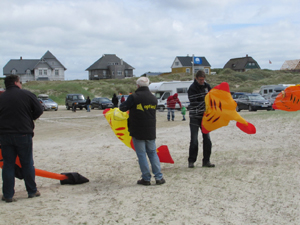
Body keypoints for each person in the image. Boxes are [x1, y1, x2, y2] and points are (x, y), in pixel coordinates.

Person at [0, 75, 44, 202]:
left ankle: (8, 195)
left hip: (5, 135)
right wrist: (29, 118)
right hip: (23, 133)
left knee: (8, 165)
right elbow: (39, 110)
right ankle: (32, 191)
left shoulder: (1, 97)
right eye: (20, 82)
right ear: (16, 82)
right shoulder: (26, 94)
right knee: (27, 163)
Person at [119, 77, 165, 186]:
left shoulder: (134, 97)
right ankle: (159, 177)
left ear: (138, 86)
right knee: (153, 153)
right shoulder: (153, 98)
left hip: (137, 129)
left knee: (142, 155)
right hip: (150, 129)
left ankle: (146, 178)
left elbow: (122, 108)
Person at [187, 70, 215, 168]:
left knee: (207, 139)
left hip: (205, 118)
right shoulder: (192, 88)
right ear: (196, 78)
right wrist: (205, 105)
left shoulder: (207, 86)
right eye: (200, 80)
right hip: (195, 117)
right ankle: (191, 161)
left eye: (203, 79)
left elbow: (212, 97)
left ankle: (206, 161)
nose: (202, 81)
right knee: (194, 140)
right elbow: (193, 103)